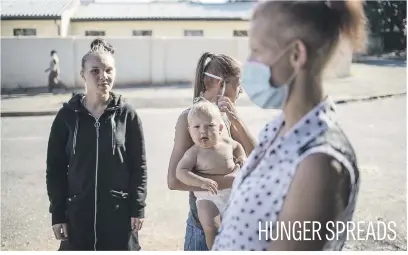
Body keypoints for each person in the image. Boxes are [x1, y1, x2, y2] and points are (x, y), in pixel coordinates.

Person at [212, 0, 367, 251]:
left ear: (296, 55)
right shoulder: (278, 130)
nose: (247, 65)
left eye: (256, 50)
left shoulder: (319, 163)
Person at [46, 39, 147, 251]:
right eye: (95, 71)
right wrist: (58, 214)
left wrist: (137, 208)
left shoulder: (127, 115)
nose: (103, 76)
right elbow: (55, 170)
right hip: (77, 217)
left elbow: (139, 167)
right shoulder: (67, 117)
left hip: (118, 217)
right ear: (83, 75)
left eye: (109, 70)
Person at [167, 52, 256, 251]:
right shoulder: (189, 120)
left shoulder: (225, 117)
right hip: (204, 231)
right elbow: (174, 181)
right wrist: (232, 180)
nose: (241, 90)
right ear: (220, 84)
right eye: (237, 84)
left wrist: (237, 121)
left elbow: (260, 158)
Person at [176, 101, 247, 249]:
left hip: (231, 194)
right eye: (197, 127)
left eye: (209, 126)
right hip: (207, 196)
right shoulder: (194, 152)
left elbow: (239, 147)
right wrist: (201, 181)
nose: (203, 131)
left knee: (236, 225)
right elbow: (180, 172)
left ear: (220, 128)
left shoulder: (227, 143)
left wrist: (242, 158)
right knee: (210, 226)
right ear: (190, 131)